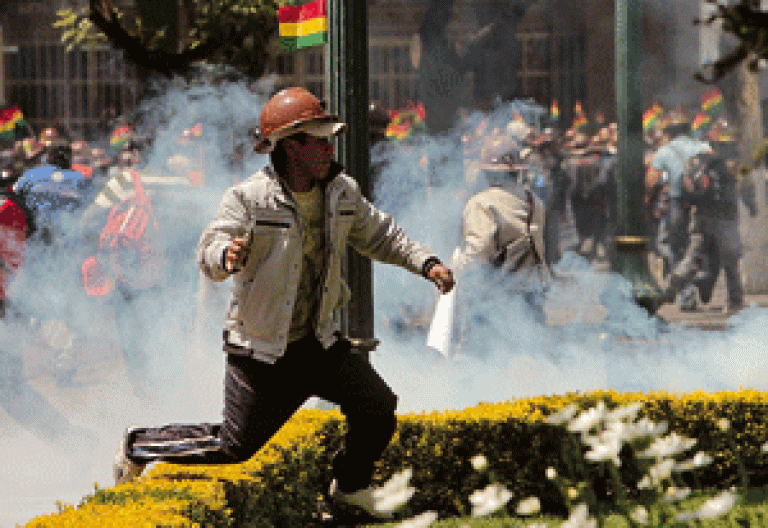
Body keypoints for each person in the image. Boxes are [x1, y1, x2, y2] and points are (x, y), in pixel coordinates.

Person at [114, 87, 455, 519]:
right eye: (321, 141)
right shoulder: (249, 198)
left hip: (319, 343)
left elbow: (382, 235)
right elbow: (209, 248)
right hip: (262, 349)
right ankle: (138, 445)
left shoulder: (341, 192)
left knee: (376, 407)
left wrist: (427, 264)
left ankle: (348, 488)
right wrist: (227, 255)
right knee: (234, 447)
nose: (330, 148)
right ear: (291, 146)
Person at [452, 136, 549, 333]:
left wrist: (454, 268)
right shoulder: (534, 201)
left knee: (486, 355)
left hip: (497, 295)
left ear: (486, 172)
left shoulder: (481, 203)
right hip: (533, 289)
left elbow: (479, 251)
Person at [650, 114, 713, 310]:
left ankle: (686, 296)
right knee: (701, 248)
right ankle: (703, 276)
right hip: (705, 207)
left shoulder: (663, 151)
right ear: (688, 129)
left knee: (675, 249)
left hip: (678, 206)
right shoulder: (704, 148)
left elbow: (651, 181)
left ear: (669, 133)